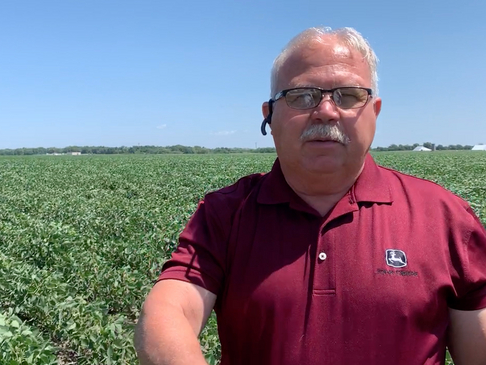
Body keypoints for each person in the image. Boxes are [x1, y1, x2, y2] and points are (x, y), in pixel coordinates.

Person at [134, 26, 486, 365]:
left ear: (374, 113)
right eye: (302, 96)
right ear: (269, 117)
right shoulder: (224, 214)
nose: (326, 111)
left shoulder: (444, 216)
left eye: (348, 95)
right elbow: (170, 311)